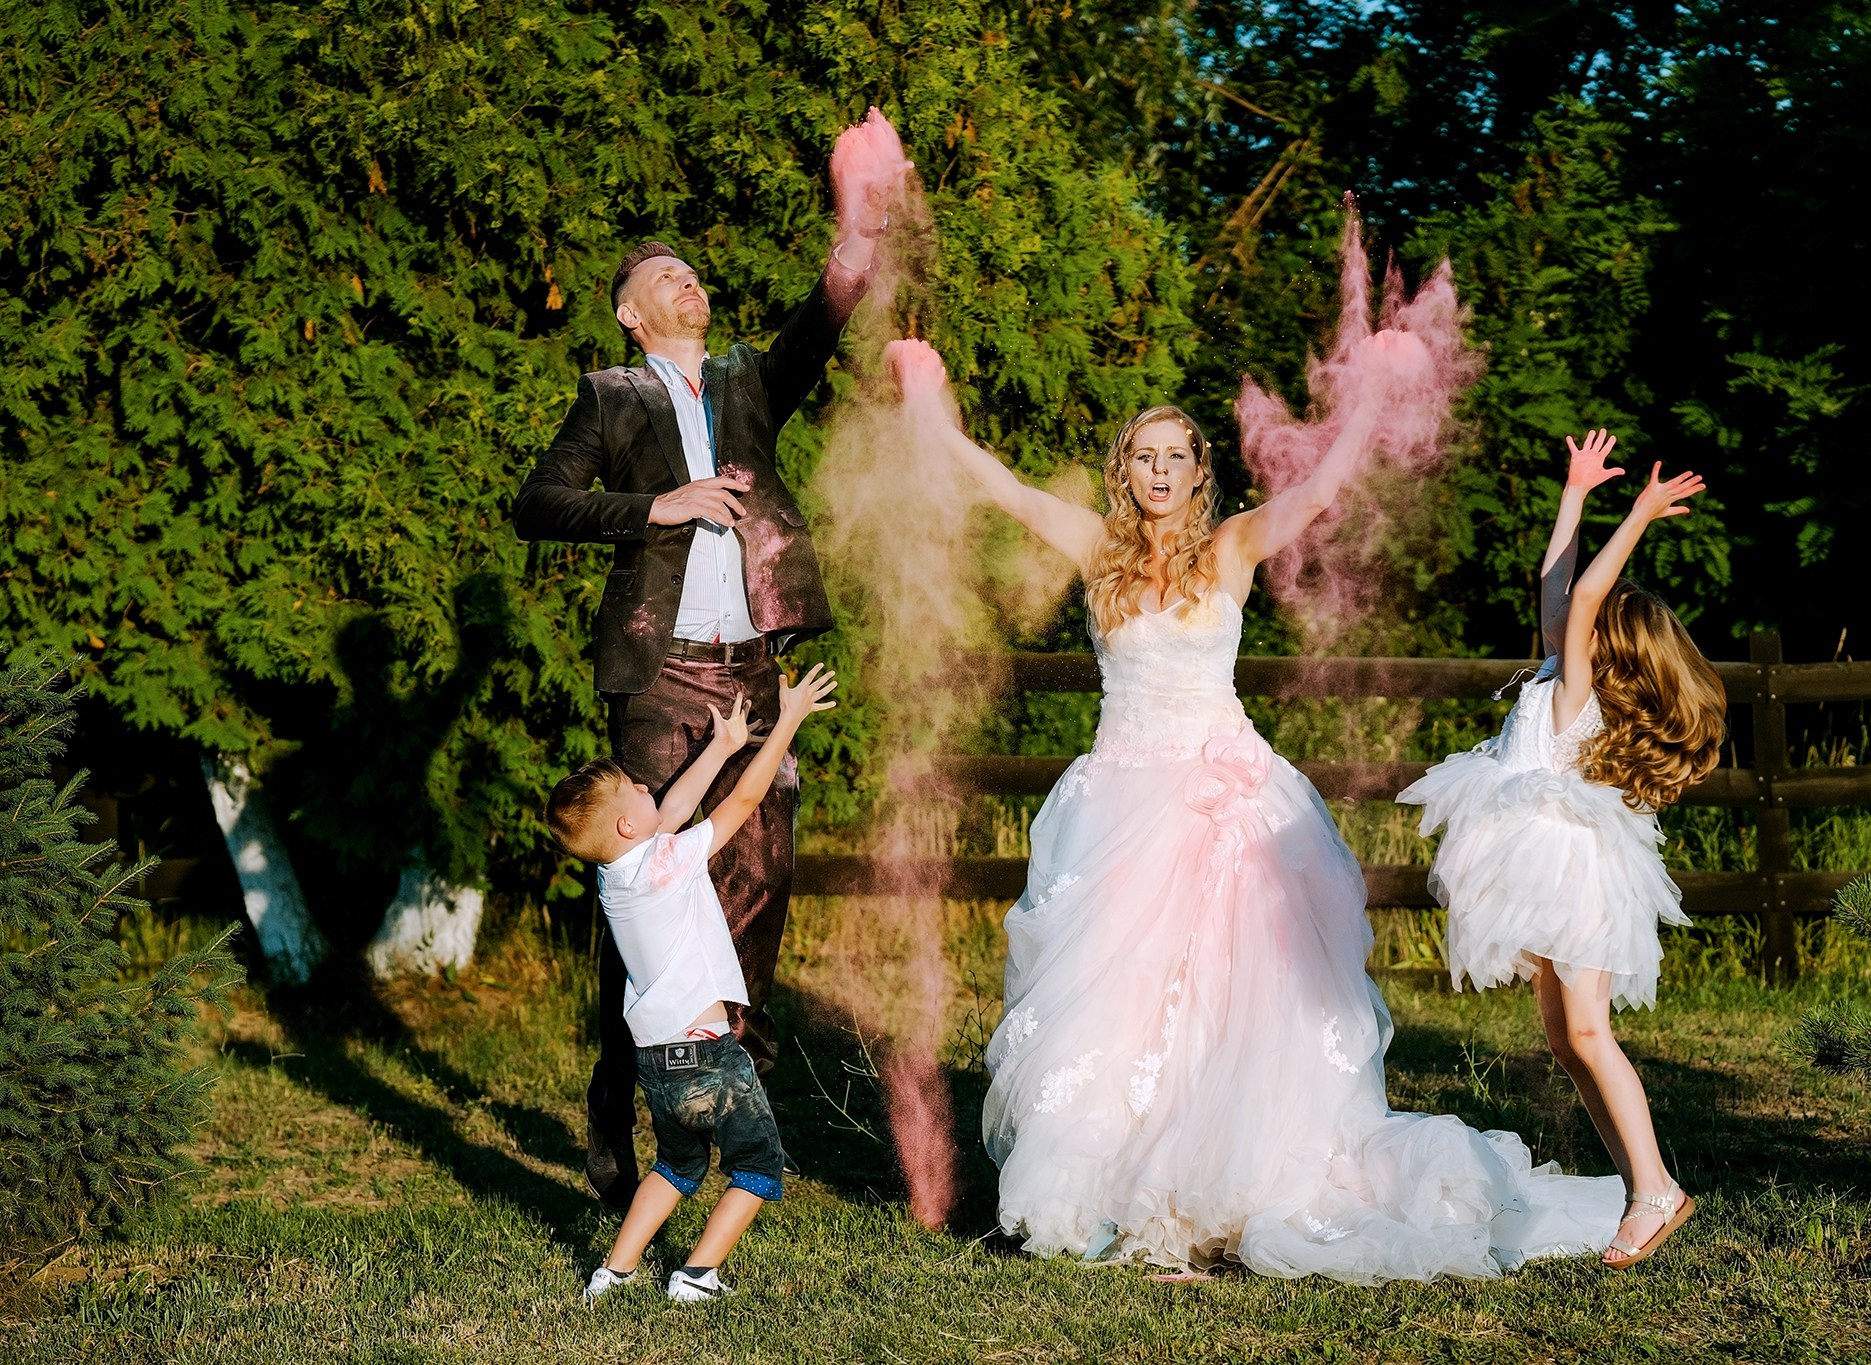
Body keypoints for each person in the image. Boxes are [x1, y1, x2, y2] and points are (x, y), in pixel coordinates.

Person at [887, 337, 1626, 1284]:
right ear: (1125, 471)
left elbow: (1317, 494)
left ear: (1199, 472)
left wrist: (1372, 394)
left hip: (1226, 805)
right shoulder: (1099, 550)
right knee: (1118, 1006)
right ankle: (1111, 1188)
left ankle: (1222, 1184)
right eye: (1144, 456)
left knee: (1230, 1004)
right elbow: (1008, 492)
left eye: (1176, 456)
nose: (1160, 472)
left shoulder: (1230, 546)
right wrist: (932, 406)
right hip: (1119, 810)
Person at [512, 111, 910, 1208]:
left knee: (758, 886)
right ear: (632, 315)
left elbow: (814, 331)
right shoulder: (610, 397)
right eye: (666, 278)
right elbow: (537, 504)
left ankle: (736, 1097)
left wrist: (855, 242)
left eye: (691, 273)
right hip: (660, 677)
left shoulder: (744, 382)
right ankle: (618, 1089)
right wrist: (659, 504)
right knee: (649, 883)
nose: (688, 282)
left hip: (752, 670)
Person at [1398, 429, 1727, 1268]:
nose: (1572, 619)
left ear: (1606, 642)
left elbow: (1581, 596)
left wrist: (1641, 512)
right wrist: (1575, 492)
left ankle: (1656, 1190)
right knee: (1566, 1038)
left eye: (1589, 621)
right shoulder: (1558, 669)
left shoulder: (1579, 689)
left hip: (1574, 880)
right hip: (1547, 875)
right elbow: (1559, 587)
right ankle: (1644, 1188)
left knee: (1588, 1031)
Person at [547, 665, 839, 1306]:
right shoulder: (665, 863)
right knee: (758, 1165)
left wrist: (722, 746)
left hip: (656, 1058)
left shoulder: (618, 876)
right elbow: (740, 805)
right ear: (627, 827)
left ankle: (614, 1272)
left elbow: (674, 810)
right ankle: (697, 1272)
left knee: (677, 1165)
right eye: (634, 789)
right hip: (707, 1052)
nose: (646, 787)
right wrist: (786, 722)